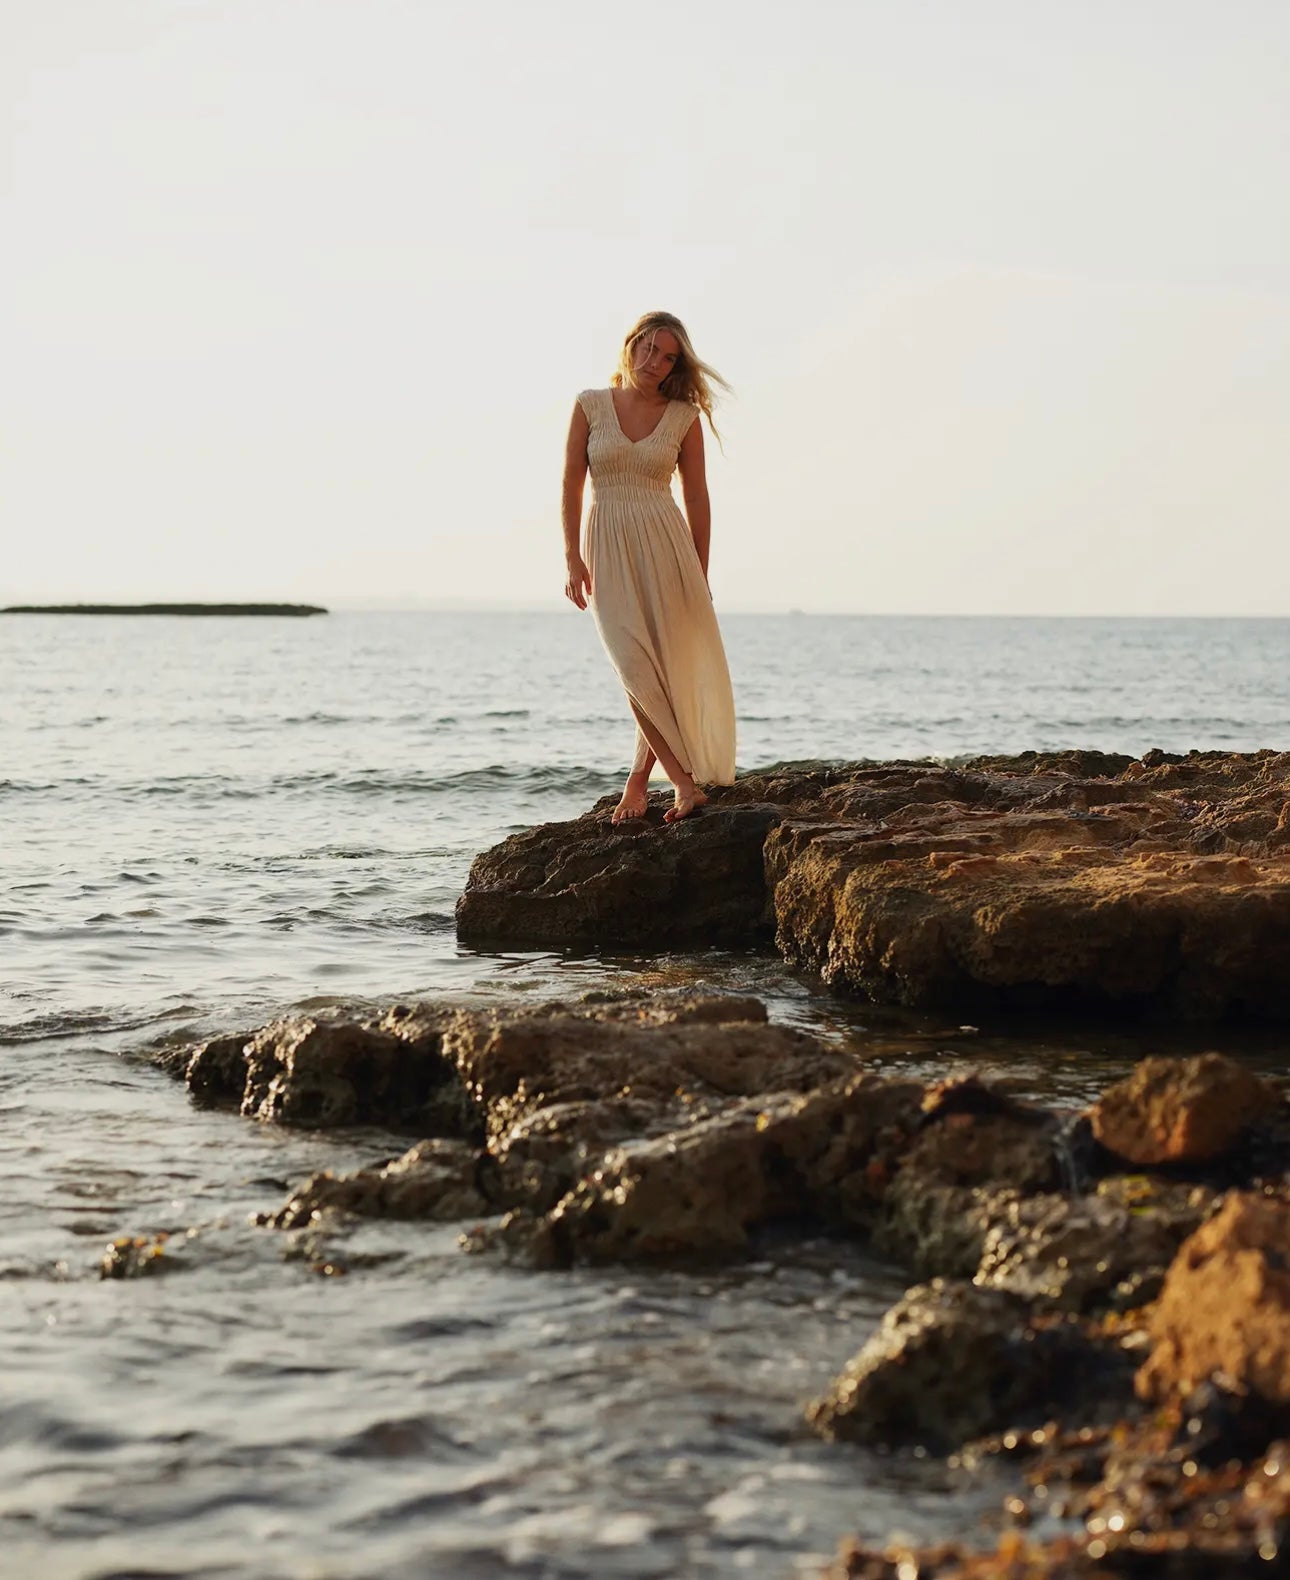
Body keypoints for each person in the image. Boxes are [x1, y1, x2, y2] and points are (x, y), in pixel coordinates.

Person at [562, 311, 737, 824]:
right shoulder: (590, 405)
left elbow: (697, 497)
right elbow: (571, 482)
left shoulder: (683, 418)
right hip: (606, 543)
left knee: (659, 665)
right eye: (648, 347)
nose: (653, 361)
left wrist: (700, 572)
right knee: (631, 662)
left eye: (667, 357)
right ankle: (681, 781)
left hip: (667, 544)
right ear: (631, 343)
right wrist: (571, 556)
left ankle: (644, 781)